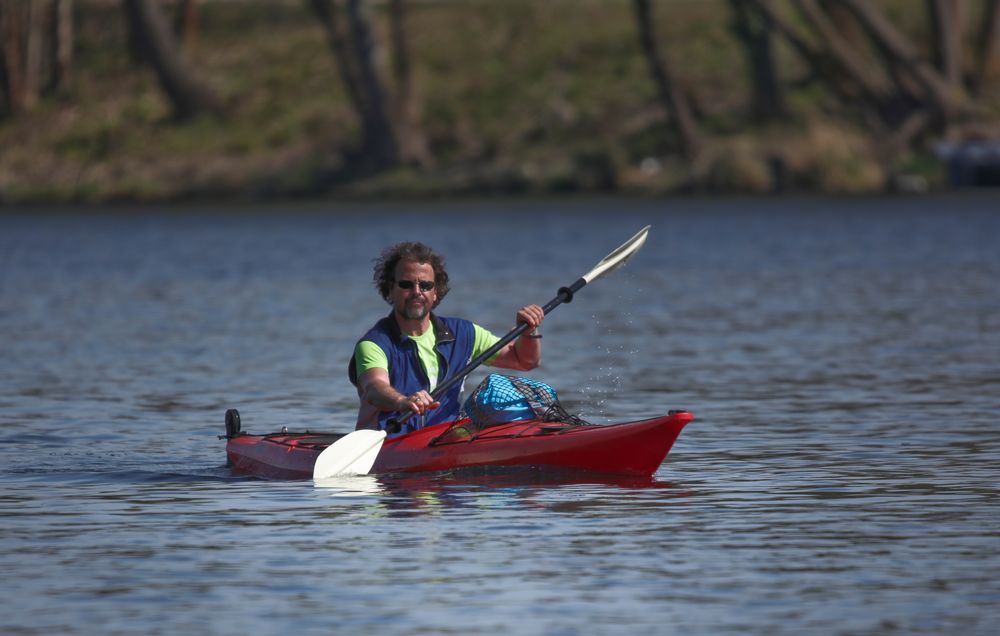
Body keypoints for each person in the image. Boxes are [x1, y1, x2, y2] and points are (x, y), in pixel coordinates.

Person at [349, 241, 545, 434]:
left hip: (443, 439)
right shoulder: (375, 344)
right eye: (406, 284)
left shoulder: (464, 334)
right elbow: (374, 389)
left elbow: (525, 361)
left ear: (436, 293)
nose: (417, 292)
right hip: (389, 442)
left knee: (502, 404)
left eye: (425, 285)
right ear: (390, 289)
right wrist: (403, 402)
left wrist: (528, 331)